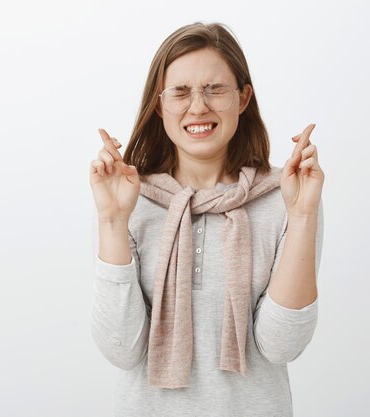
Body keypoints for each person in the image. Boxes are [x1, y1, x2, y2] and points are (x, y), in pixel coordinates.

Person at [89, 22, 324, 417]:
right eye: (180, 92)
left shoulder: (287, 197)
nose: (198, 106)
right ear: (159, 104)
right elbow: (121, 350)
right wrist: (112, 221)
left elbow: (283, 346)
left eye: (215, 89)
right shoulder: (129, 198)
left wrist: (302, 216)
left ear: (243, 98)